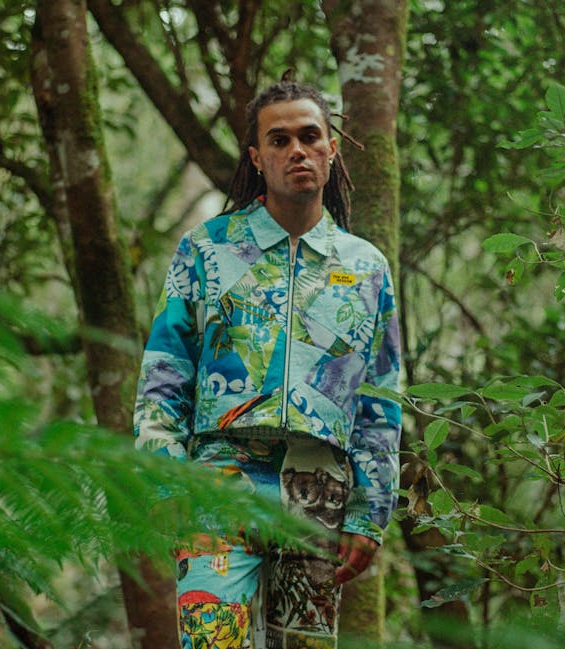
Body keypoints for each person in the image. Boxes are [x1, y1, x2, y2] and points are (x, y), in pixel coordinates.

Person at [134, 81, 401, 649]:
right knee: (214, 642)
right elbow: (164, 375)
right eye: (279, 140)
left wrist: (369, 513)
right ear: (258, 159)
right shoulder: (206, 250)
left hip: (318, 490)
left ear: (332, 150)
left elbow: (380, 400)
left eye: (310, 137)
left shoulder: (366, 267)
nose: (296, 150)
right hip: (217, 482)